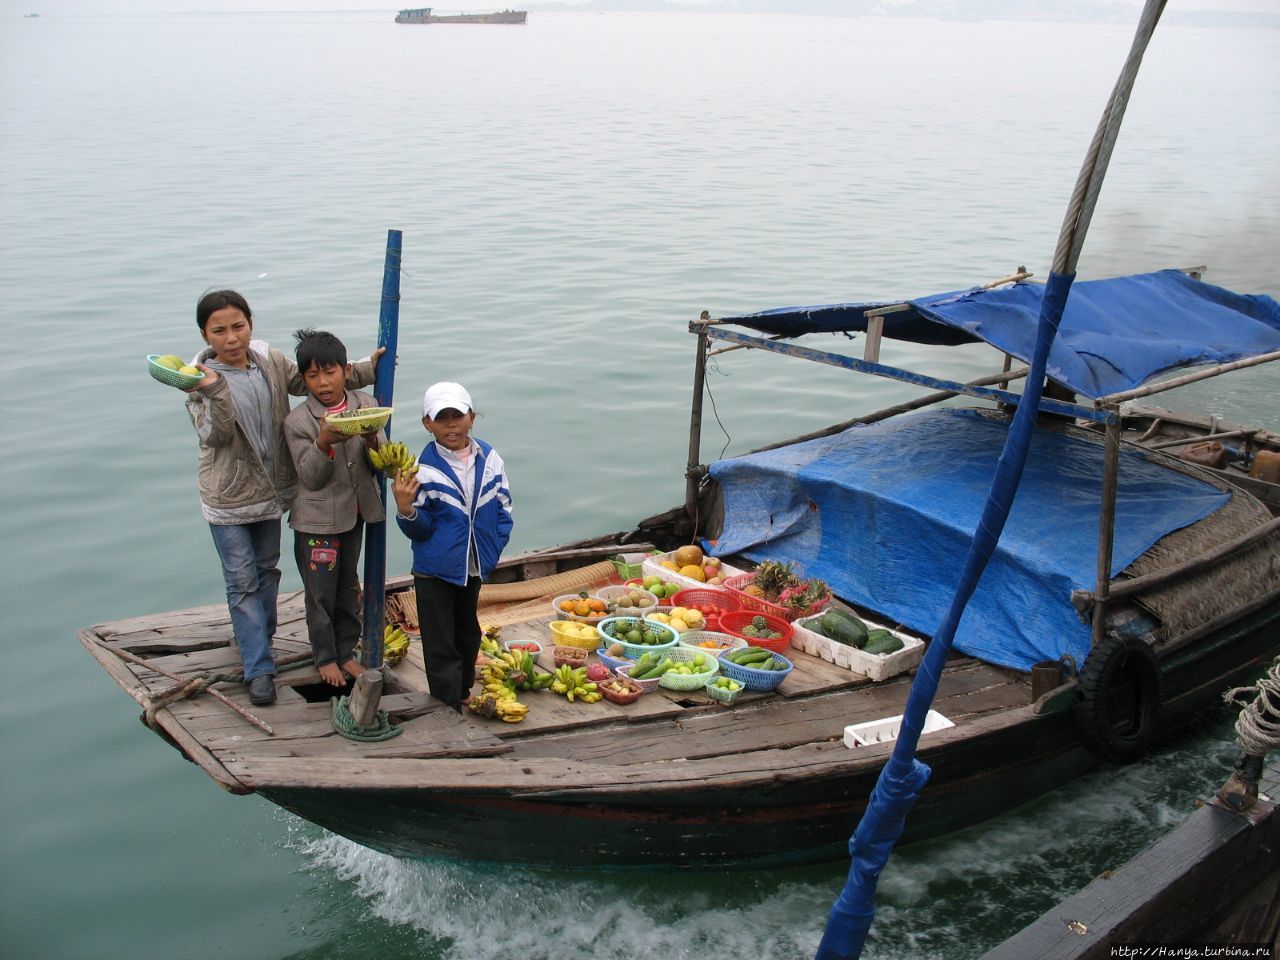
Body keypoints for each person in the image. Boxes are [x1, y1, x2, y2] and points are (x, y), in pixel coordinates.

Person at [185, 290, 380, 706]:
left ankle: (261, 642)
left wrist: (367, 368)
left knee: (268, 575)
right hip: (228, 497)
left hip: (271, 494)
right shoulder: (196, 379)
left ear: (250, 322)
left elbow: (311, 377)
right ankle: (259, 668)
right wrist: (215, 390)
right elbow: (215, 435)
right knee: (242, 583)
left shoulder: (267, 361)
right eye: (219, 330)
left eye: (238, 326)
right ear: (204, 333)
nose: (231, 338)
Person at [391, 382, 513, 711]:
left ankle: (461, 689)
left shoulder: (490, 459)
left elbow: (504, 507)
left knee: (467, 631)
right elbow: (420, 529)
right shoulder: (423, 470)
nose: (450, 425)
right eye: (441, 418)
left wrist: (494, 546)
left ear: (471, 417)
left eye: (457, 416)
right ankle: (447, 702)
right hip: (436, 569)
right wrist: (406, 509)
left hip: (474, 564)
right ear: (427, 424)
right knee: (439, 639)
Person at [283, 329, 386, 688]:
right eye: (313, 376)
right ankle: (324, 657)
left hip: (355, 514)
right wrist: (323, 443)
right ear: (304, 379)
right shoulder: (298, 422)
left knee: (348, 588)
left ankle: (346, 652)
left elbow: (382, 465)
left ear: (345, 370)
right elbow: (310, 478)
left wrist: (373, 438)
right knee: (320, 593)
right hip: (316, 523)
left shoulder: (367, 405)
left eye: (329, 372)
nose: (323, 383)